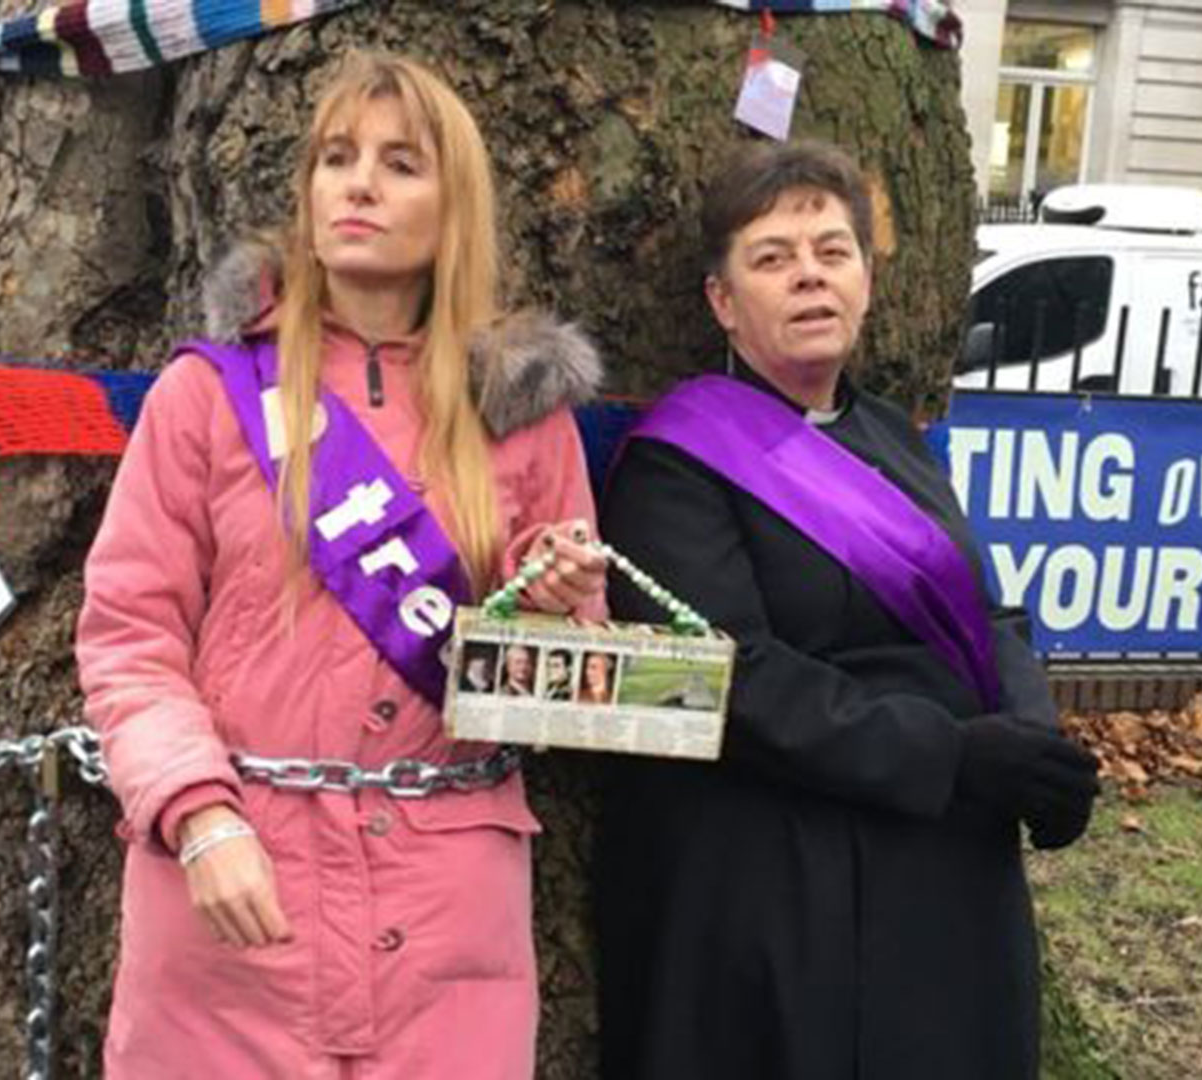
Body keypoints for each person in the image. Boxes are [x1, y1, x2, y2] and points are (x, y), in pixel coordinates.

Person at [77, 53, 608, 1079]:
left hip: (449, 904)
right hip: (234, 891)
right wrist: (198, 815)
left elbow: (566, 689)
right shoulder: (207, 397)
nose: (357, 184)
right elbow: (127, 636)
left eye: (400, 164)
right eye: (336, 157)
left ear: (456, 204)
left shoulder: (522, 415)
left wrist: (553, 618)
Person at [594, 140, 1101, 1079]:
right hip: (789, 870)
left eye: (833, 251)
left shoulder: (897, 441)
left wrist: (1036, 751)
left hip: (947, 854)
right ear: (722, 301)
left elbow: (987, 615)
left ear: (867, 281)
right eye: (773, 257)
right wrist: (951, 756)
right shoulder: (676, 463)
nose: (809, 278)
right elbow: (730, 682)